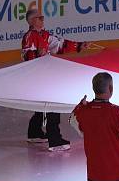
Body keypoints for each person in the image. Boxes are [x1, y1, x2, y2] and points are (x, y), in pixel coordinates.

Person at [21, 8, 91, 151]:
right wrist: (38, 54)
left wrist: (79, 45)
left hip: (45, 76)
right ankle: (55, 139)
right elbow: (27, 57)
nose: (42, 19)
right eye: (40, 18)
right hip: (38, 78)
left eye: (42, 17)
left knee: (43, 105)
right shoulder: (29, 37)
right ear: (32, 21)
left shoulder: (45, 35)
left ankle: (34, 132)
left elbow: (60, 45)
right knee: (52, 105)